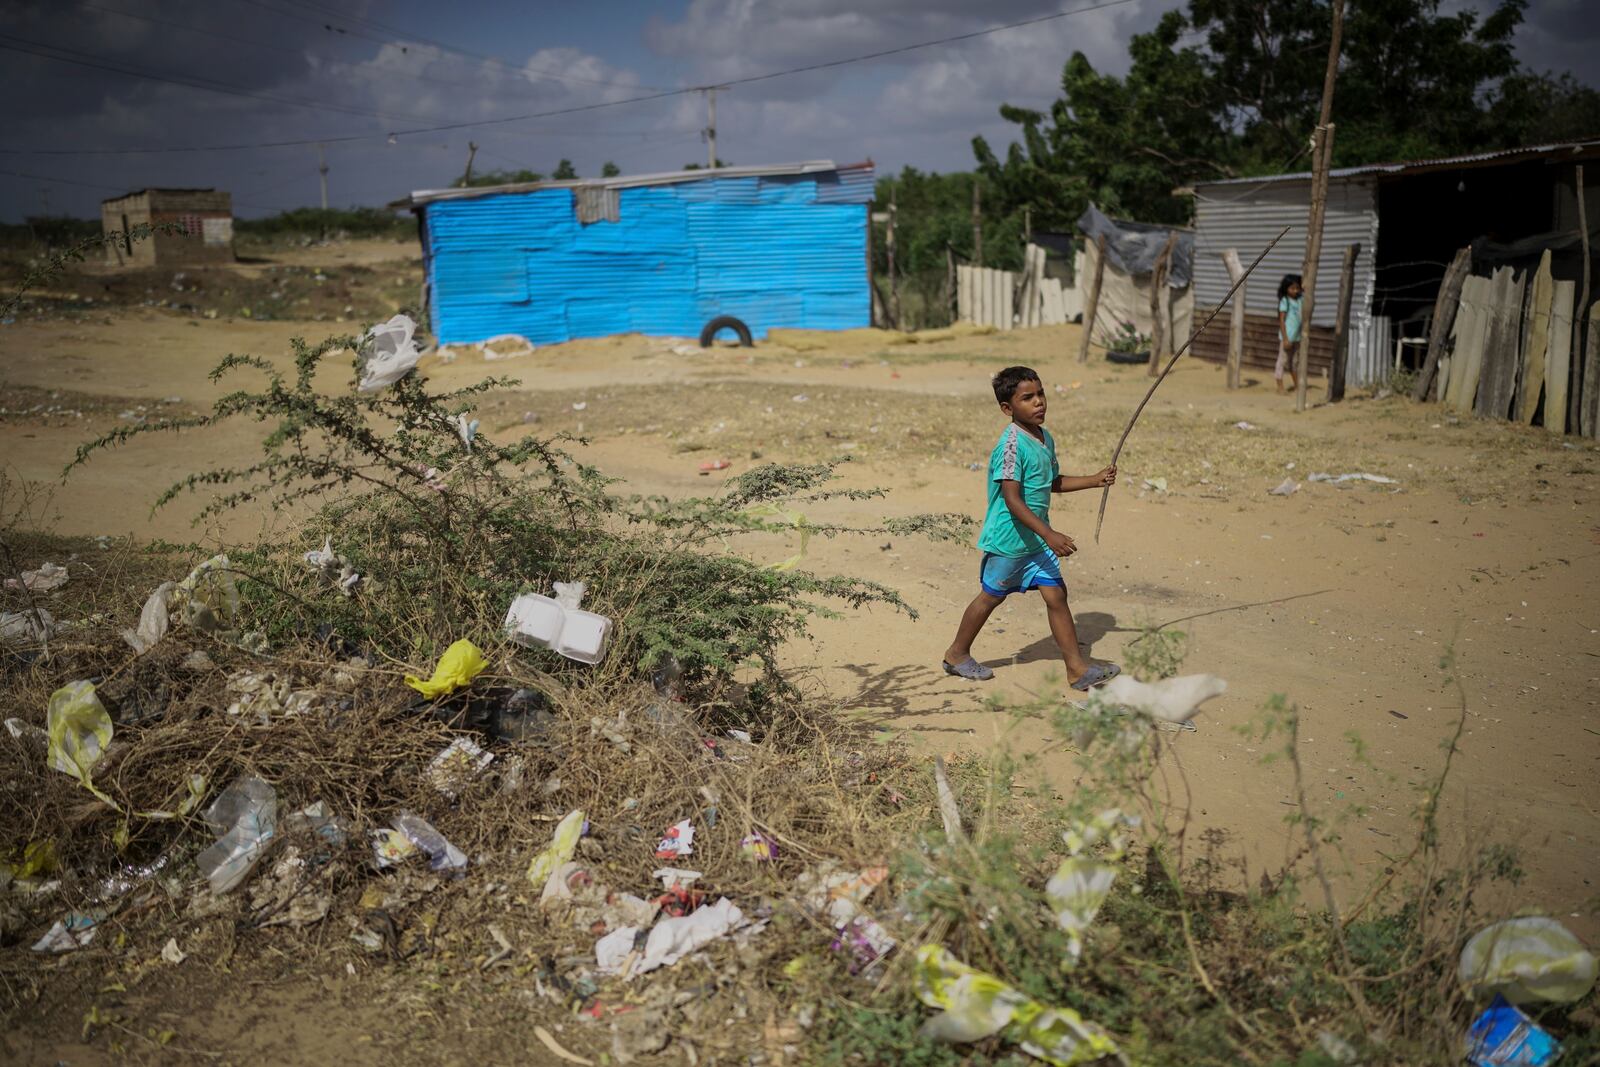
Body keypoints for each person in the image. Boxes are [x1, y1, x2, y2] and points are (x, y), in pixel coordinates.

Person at [941, 366, 1121, 691]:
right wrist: (1050, 535)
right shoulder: (1011, 446)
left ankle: (1077, 670)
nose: (1038, 402)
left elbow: (1052, 482)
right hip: (1010, 541)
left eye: (1040, 394)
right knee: (991, 597)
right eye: (1028, 398)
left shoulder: (1044, 437)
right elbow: (1013, 500)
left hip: (1035, 540)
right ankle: (956, 654)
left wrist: (1094, 480)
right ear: (1007, 409)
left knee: (1056, 594)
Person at [1276, 274, 1304, 394]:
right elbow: (1282, 320)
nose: (1295, 290)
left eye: (1297, 288)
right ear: (1286, 288)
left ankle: (1297, 385)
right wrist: (1286, 338)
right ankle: (1280, 386)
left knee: (1294, 362)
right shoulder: (1285, 301)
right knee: (1282, 361)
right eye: (1292, 288)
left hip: (1297, 337)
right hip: (1287, 337)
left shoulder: (1300, 300)